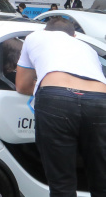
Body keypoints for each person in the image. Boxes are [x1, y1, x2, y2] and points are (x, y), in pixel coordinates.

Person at [16, 16, 106, 196]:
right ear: (74, 36)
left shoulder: (34, 37)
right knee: (102, 179)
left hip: (56, 99)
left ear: (45, 31)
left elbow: (22, 85)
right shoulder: (87, 47)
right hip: (100, 100)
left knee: (61, 184)